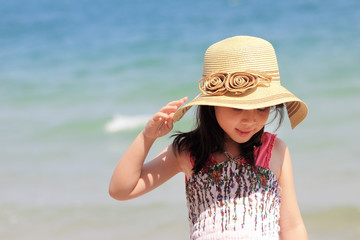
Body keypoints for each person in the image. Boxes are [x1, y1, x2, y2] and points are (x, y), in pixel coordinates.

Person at [109, 36, 309, 239]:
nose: (250, 120)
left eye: (262, 108)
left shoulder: (274, 150)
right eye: (238, 107)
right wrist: (147, 137)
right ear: (213, 104)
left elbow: (292, 227)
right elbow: (121, 189)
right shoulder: (189, 152)